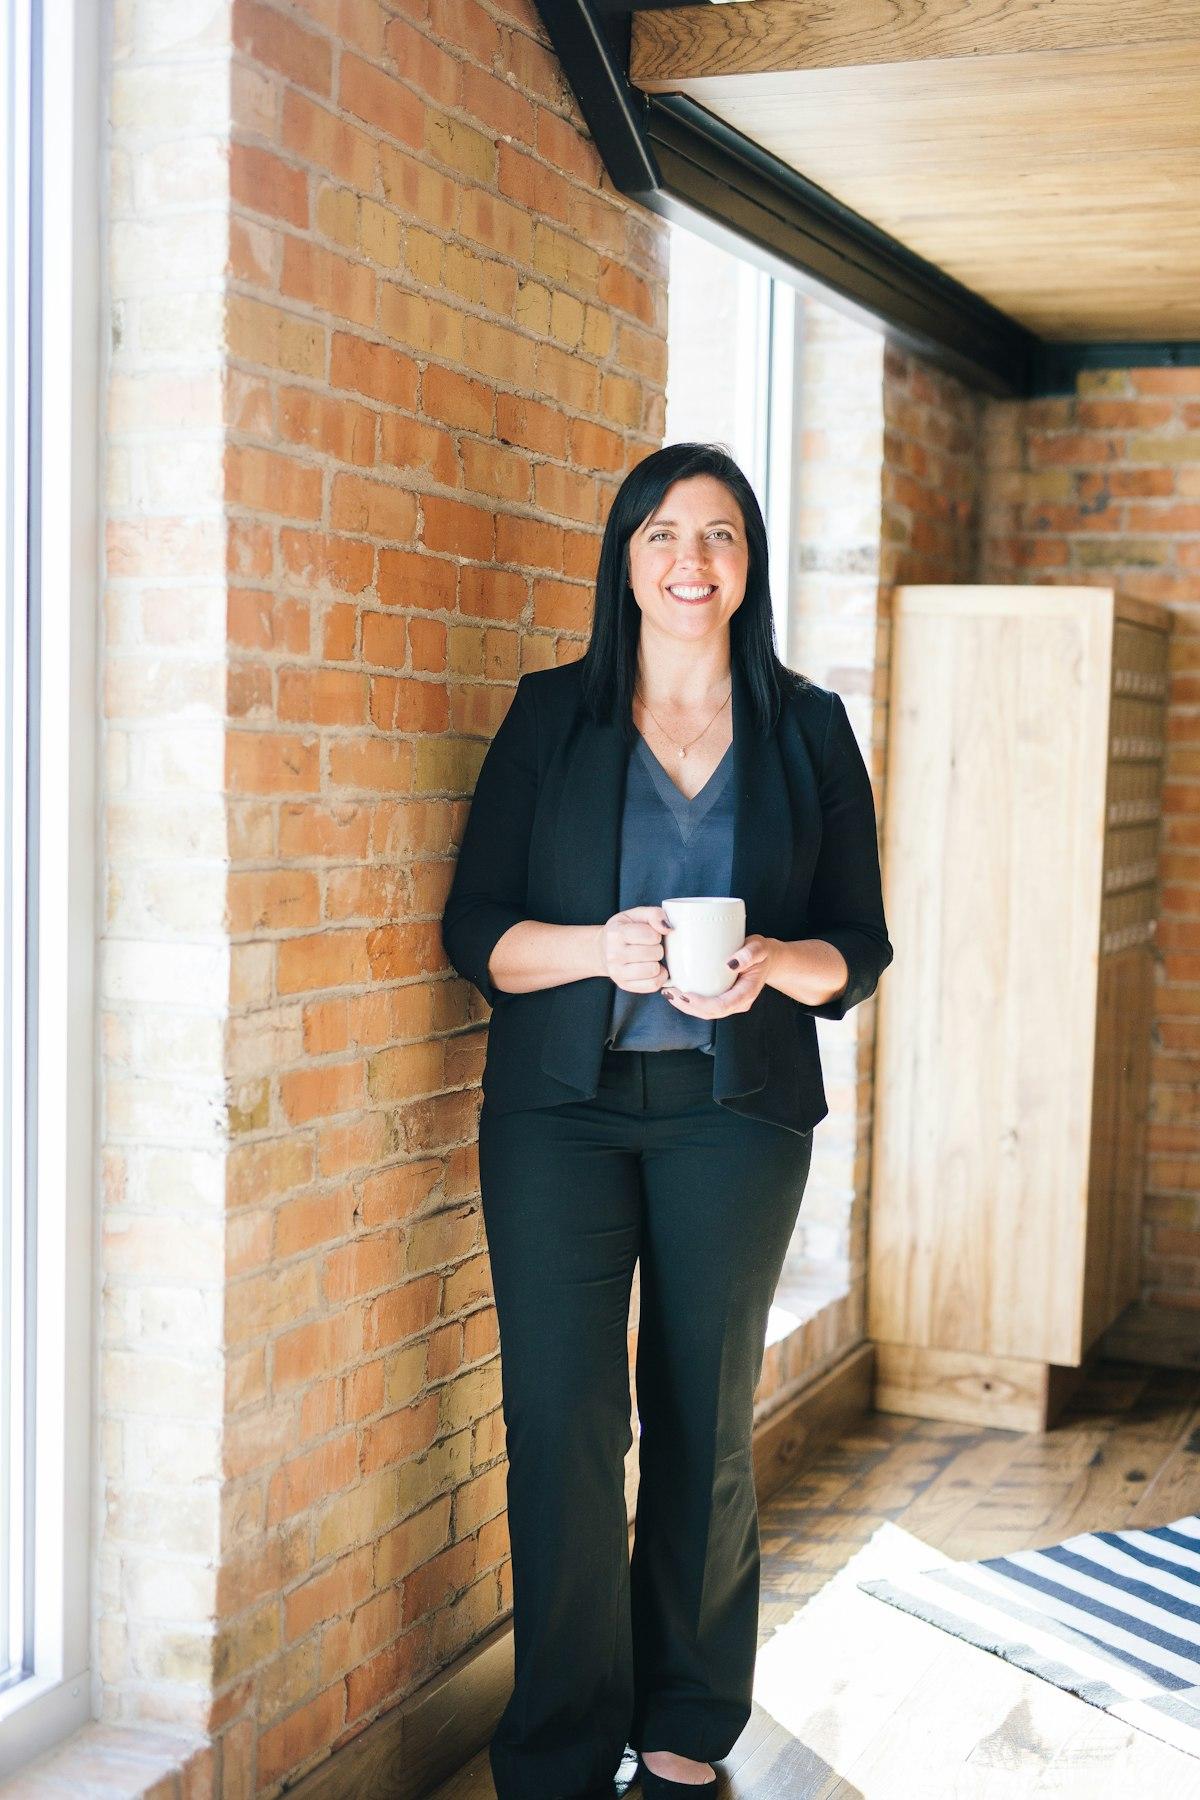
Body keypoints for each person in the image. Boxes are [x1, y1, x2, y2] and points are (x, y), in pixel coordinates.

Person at [441, 442, 893, 1799]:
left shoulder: (807, 727)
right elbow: (475, 934)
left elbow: (858, 949)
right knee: (562, 1419)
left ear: (746, 568)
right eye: (663, 536)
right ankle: (561, 1750)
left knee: (703, 1412)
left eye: (719, 537)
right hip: (558, 1118)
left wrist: (777, 964)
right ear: (625, 561)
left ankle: (686, 1728)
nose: (691, 562)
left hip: (735, 1117)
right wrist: (596, 950)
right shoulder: (550, 719)